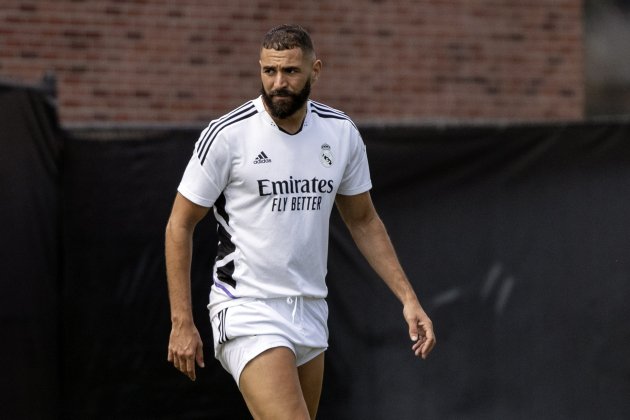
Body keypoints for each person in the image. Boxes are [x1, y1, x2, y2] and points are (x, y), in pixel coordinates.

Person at [165, 23, 436, 420]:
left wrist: (408, 299)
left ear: (315, 70)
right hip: (247, 308)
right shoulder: (228, 135)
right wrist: (181, 322)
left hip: (310, 309)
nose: (278, 83)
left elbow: (363, 220)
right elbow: (179, 225)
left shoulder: (340, 133)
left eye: (290, 71)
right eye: (269, 71)